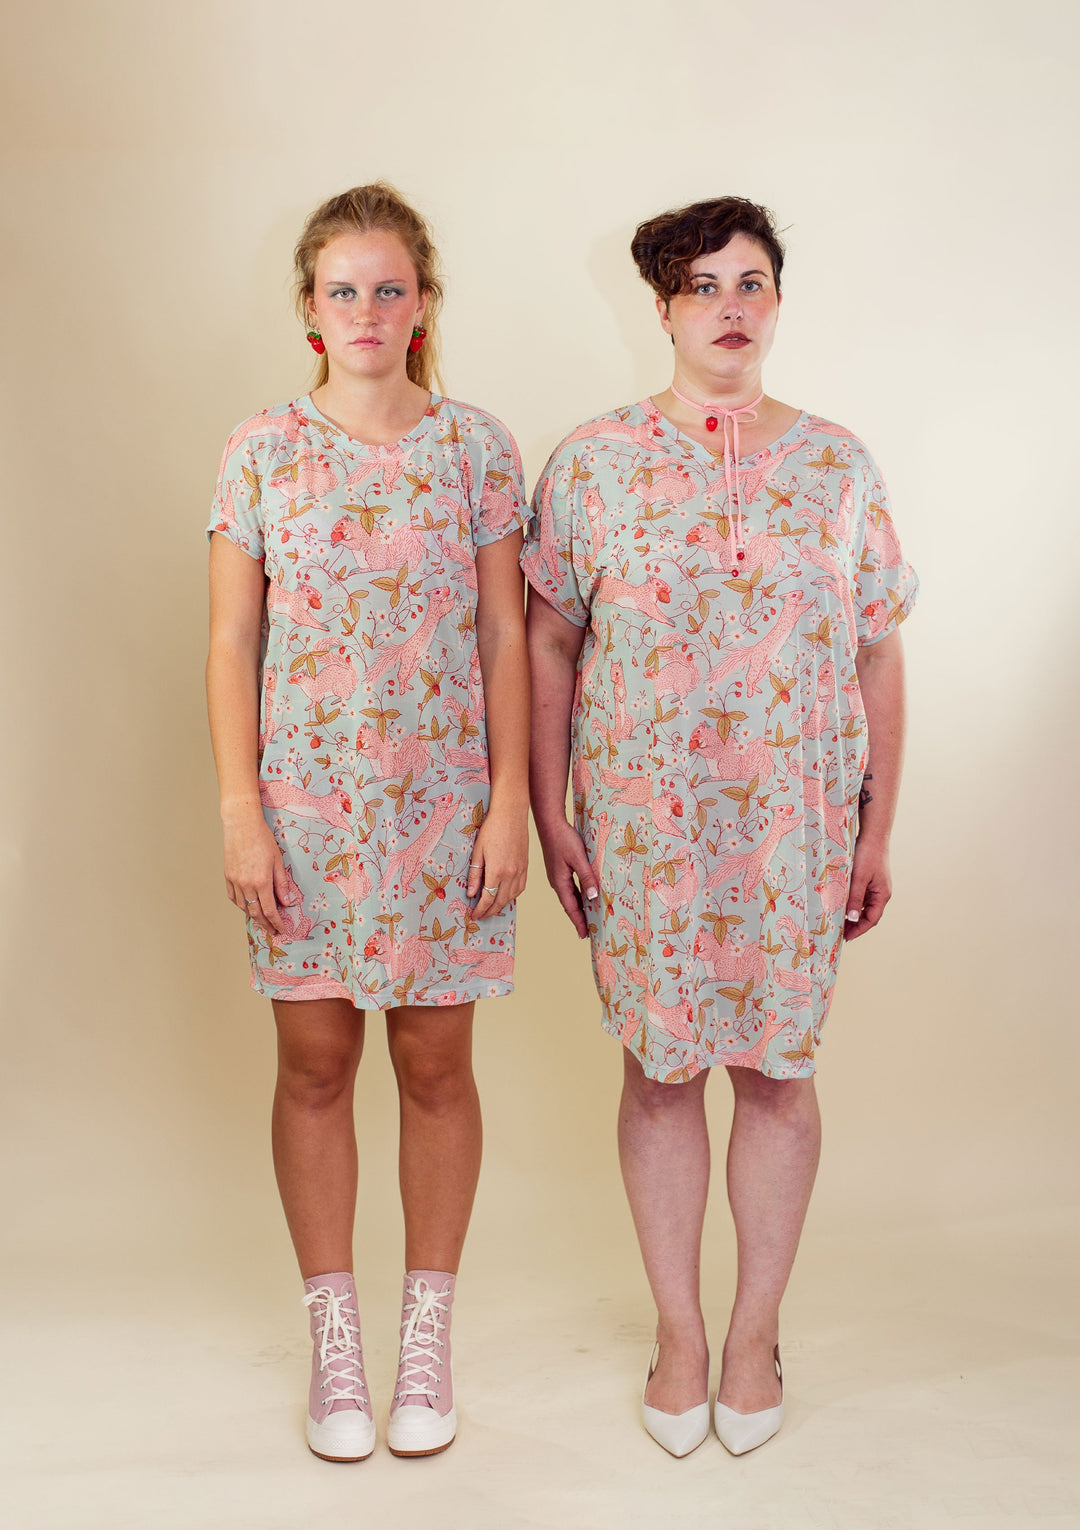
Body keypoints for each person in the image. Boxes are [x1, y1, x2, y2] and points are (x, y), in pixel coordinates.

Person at [522, 196, 917, 1458]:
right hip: (647, 829)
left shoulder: (839, 466)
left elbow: (876, 650)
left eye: (752, 283)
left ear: (778, 301)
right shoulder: (592, 462)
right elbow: (549, 640)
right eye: (703, 287)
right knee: (659, 1072)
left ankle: (755, 1335)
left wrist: (875, 829)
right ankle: (680, 1334)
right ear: (663, 309)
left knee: (778, 1073)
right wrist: (548, 809)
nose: (731, 308)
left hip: (797, 828)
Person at [205, 183, 529, 1461]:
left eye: (390, 289)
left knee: (437, 1069)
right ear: (309, 308)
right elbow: (233, 641)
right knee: (315, 1066)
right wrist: (242, 810)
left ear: (424, 304)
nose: (367, 310)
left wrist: (509, 802)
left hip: (447, 808)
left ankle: (425, 1339)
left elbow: (504, 633)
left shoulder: (477, 449)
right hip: (305, 812)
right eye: (344, 290)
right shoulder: (261, 451)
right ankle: (336, 1343)